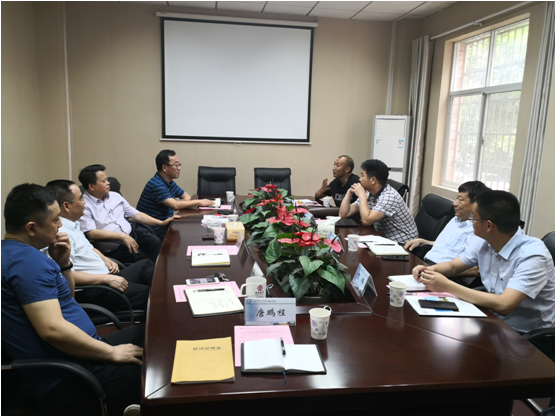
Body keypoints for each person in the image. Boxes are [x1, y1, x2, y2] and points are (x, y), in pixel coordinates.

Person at [1, 184, 143, 415]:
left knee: (149, 334)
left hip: (81, 353)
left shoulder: (13, 252)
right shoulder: (26, 262)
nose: (60, 225)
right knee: (154, 373)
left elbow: (66, 298)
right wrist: (111, 353)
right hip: (69, 377)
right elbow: (52, 330)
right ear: (31, 228)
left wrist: (64, 264)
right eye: (55, 219)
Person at [412, 190, 555, 334]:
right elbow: (454, 266)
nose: (471, 222)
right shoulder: (484, 241)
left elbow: (505, 304)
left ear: (488, 226)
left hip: (526, 335)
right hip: (491, 318)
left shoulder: (533, 256)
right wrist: (430, 270)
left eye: (474, 218)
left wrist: (447, 286)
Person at [46, 179, 153, 313]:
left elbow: (90, 248)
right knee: (151, 295)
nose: (84, 202)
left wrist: (105, 259)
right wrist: (105, 279)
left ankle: (176, 291)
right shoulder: (60, 235)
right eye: (81, 199)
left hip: (106, 275)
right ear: (67, 206)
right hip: (95, 288)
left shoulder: (73, 224)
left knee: (146, 265)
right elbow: (64, 274)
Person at [78, 164, 180, 264]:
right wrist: (121, 236)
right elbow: (92, 233)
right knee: (145, 260)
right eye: (104, 181)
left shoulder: (115, 196)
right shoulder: (84, 205)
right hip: (116, 245)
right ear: (91, 186)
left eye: (107, 180)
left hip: (132, 232)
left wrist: (161, 223)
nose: (108, 183)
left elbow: (136, 215)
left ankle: (168, 270)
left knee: (158, 245)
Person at [404, 181, 490, 269]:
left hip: (443, 271)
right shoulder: (455, 219)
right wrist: (422, 241)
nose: (454, 203)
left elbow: (473, 267)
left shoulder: (477, 229)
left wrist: (432, 270)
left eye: (460, 200)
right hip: (426, 263)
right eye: (456, 199)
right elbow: (445, 244)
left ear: (476, 204)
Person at [137, 149, 214, 239]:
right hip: (150, 230)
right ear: (164, 168)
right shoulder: (156, 184)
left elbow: (186, 195)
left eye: (179, 164)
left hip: (164, 226)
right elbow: (175, 205)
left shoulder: (169, 182)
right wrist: (199, 202)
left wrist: (186, 201)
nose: (179, 168)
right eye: (176, 165)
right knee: (189, 236)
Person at [339, 159, 418, 243]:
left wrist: (362, 196)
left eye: (363, 175)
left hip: (404, 243)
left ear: (373, 180)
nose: (360, 179)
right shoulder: (369, 192)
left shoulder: (389, 196)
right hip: (383, 238)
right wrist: (349, 192)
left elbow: (366, 221)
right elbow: (343, 214)